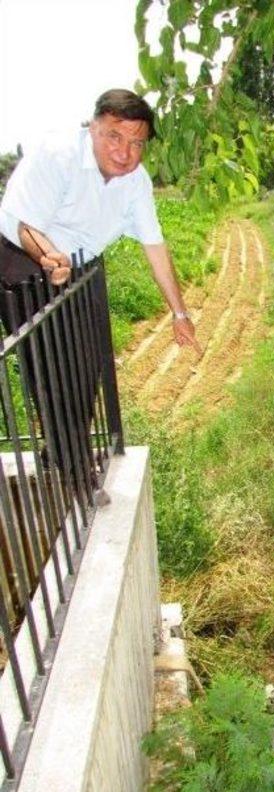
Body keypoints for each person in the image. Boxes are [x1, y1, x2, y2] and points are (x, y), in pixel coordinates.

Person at [0, 89, 201, 502]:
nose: (125, 152)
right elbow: (25, 228)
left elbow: (155, 246)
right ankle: (75, 471)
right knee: (51, 369)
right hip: (21, 259)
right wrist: (48, 258)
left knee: (89, 362)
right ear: (93, 128)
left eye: (136, 143)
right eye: (114, 136)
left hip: (78, 265)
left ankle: (60, 452)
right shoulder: (57, 156)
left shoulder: (135, 183)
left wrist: (179, 314)